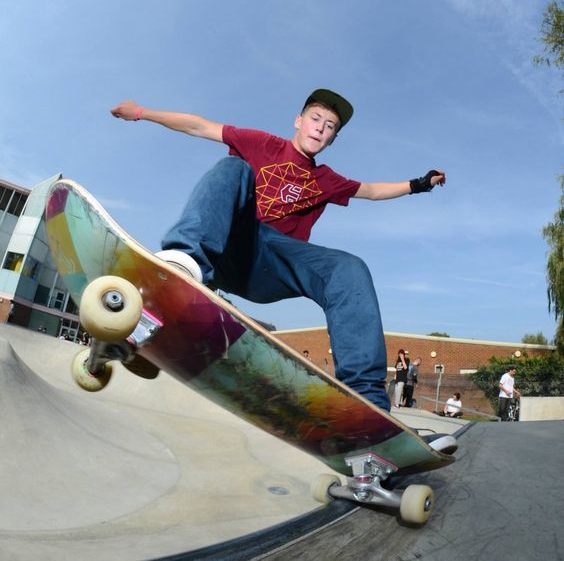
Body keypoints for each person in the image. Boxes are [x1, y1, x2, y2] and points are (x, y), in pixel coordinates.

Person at [111, 89, 446, 412]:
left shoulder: (327, 179)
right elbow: (198, 125)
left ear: (332, 140)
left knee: (349, 268)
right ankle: (178, 274)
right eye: (316, 119)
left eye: (330, 127)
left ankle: (366, 401)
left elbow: (372, 190)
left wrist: (419, 184)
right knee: (234, 167)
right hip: (231, 246)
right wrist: (141, 113)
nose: (321, 128)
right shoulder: (260, 143)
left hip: (273, 266)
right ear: (298, 121)